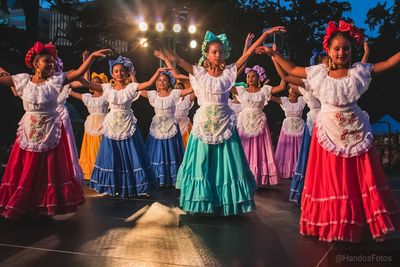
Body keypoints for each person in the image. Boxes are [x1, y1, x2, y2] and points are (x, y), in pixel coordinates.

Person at [256, 20, 400, 241]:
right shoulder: (319, 74)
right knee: (332, 178)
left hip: (355, 129)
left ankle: (360, 222)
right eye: (337, 48)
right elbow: (292, 70)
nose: (341, 52)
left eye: (346, 48)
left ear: (352, 51)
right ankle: (334, 222)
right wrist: (272, 54)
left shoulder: (358, 72)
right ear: (328, 50)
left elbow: (388, 62)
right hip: (329, 130)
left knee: (358, 178)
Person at [162, 26, 286, 215]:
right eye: (214, 52)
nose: (218, 55)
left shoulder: (229, 73)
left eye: (220, 51)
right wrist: (161, 40)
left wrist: (265, 35)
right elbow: (178, 61)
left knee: (227, 163)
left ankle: (225, 201)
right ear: (207, 54)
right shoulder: (199, 73)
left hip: (224, 121)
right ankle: (202, 201)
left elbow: (248, 54)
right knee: (202, 162)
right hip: (204, 123)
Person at [0, 41, 110, 219]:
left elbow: (78, 73)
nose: (51, 64)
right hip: (29, 129)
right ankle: (26, 201)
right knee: (27, 168)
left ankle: (46, 201)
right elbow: (4, 79)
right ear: (36, 63)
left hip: (50, 128)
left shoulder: (56, 81)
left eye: (52, 61)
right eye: (46, 61)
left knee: (50, 169)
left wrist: (91, 58)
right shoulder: (23, 81)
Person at [80, 56, 167, 197]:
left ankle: (134, 185)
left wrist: (157, 72)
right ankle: (113, 185)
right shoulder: (107, 88)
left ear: (126, 73)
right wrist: (87, 63)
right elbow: (86, 84)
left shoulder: (131, 87)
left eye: (121, 71)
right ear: (112, 74)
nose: (119, 74)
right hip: (111, 125)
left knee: (132, 155)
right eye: (116, 71)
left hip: (127, 124)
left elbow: (149, 83)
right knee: (112, 156)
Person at [233, 65, 286, 186]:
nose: (250, 78)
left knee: (259, 149)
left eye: (253, 76)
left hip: (259, 123)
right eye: (248, 76)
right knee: (243, 147)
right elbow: (227, 84)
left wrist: (278, 64)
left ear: (259, 78)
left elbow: (282, 86)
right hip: (244, 123)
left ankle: (257, 177)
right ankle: (242, 176)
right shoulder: (241, 90)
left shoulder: (264, 90)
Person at [141, 70, 193, 187]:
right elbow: (137, 89)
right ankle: (157, 177)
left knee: (171, 153)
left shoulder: (174, 94)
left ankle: (172, 178)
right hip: (157, 128)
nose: (162, 82)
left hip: (171, 126)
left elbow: (191, 89)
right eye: (159, 80)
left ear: (170, 82)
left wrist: (187, 77)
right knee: (157, 152)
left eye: (164, 80)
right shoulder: (153, 95)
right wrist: (134, 75)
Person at [270, 86, 305, 180]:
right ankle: (286, 171)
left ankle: (298, 170)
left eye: (295, 87)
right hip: (288, 128)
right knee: (287, 150)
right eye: (291, 87)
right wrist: (265, 87)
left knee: (299, 148)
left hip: (299, 127)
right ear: (288, 90)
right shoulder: (284, 100)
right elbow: (270, 97)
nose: (293, 89)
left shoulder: (302, 100)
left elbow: (309, 94)